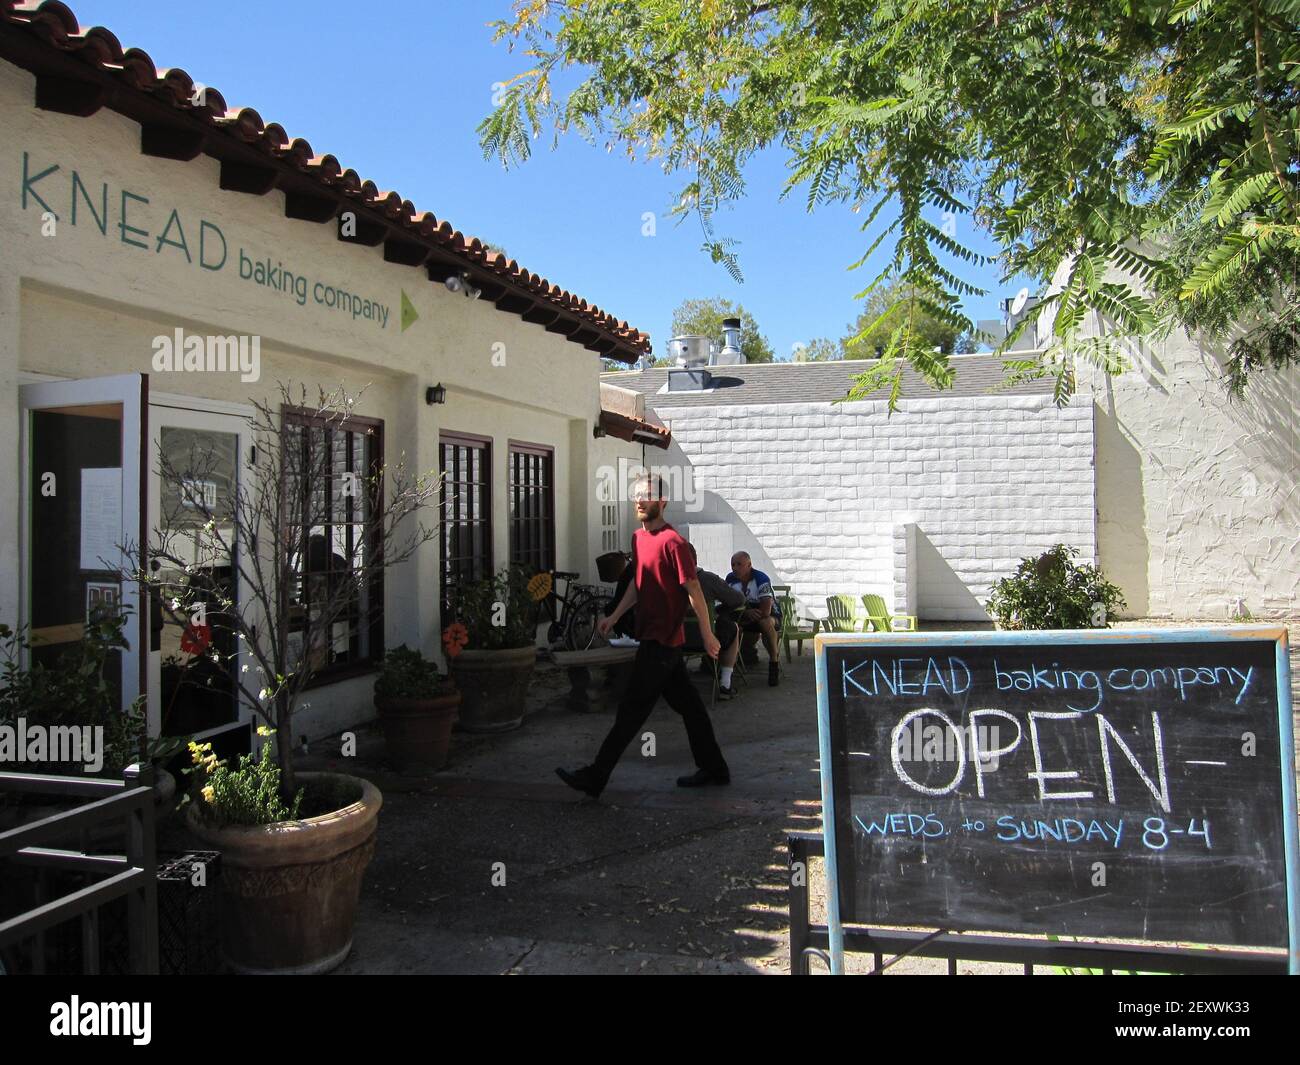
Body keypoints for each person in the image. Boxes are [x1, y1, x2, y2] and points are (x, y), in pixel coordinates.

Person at [555, 475, 729, 797]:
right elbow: (639, 582)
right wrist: (615, 615)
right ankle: (715, 769)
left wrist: (707, 634)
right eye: (636, 495)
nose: (639, 500)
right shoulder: (638, 539)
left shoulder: (674, 543)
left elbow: (694, 590)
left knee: (631, 711)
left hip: (662, 643)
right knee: (690, 708)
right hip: (656, 641)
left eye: (646, 495)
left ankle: (596, 777)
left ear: (662, 501)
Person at [679, 542, 745, 699]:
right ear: (694, 559)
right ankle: (725, 683)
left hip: (676, 639)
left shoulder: (664, 582)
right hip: (707, 637)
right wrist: (718, 610)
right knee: (733, 628)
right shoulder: (707, 579)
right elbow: (738, 599)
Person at [726, 551, 782, 687]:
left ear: (749, 564)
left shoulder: (761, 578)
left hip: (770, 616)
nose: (735, 568)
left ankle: (774, 662)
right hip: (745, 615)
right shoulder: (730, 579)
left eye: (739, 564)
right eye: (733, 564)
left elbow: (766, 610)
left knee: (765, 623)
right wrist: (746, 613)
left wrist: (748, 613)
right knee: (731, 626)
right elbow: (726, 603)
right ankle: (728, 668)